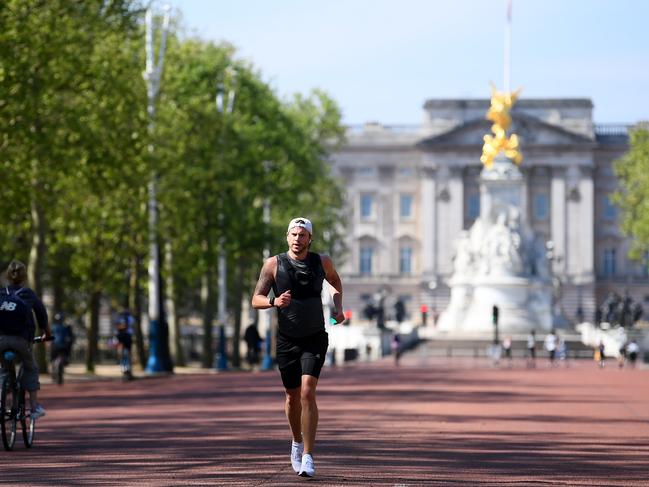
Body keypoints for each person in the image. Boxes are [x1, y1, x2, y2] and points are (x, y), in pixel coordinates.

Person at [251, 217, 344, 479]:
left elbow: (336, 283)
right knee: (292, 396)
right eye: (293, 234)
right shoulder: (273, 264)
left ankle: (308, 456)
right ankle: (295, 441)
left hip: (315, 337)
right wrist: (273, 302)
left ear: (310, 239)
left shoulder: (321, 262)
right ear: (287, 236)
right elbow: (255, 299)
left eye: (302, 235)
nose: (297, 239)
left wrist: (338, 308)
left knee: (307, 392)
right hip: (287, 340)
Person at [0, 260, 51, 419]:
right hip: (21, 340)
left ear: (8, 276)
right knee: (30, 367)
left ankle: (2, 401)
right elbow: (41, 313)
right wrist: (46, 332)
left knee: (3, 370)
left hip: (0, 340)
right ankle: (34, 407)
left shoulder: (1, 293)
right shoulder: (28, 293)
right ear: (25, 277)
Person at [115, 316, 134, 380]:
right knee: (126, 362)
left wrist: (120, 350)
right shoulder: (127, 334)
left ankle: (126, 375)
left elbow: (120, 343)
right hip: (127, 349)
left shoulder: (119, 334)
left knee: (124, 362)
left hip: (124, 349)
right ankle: (127, 375)